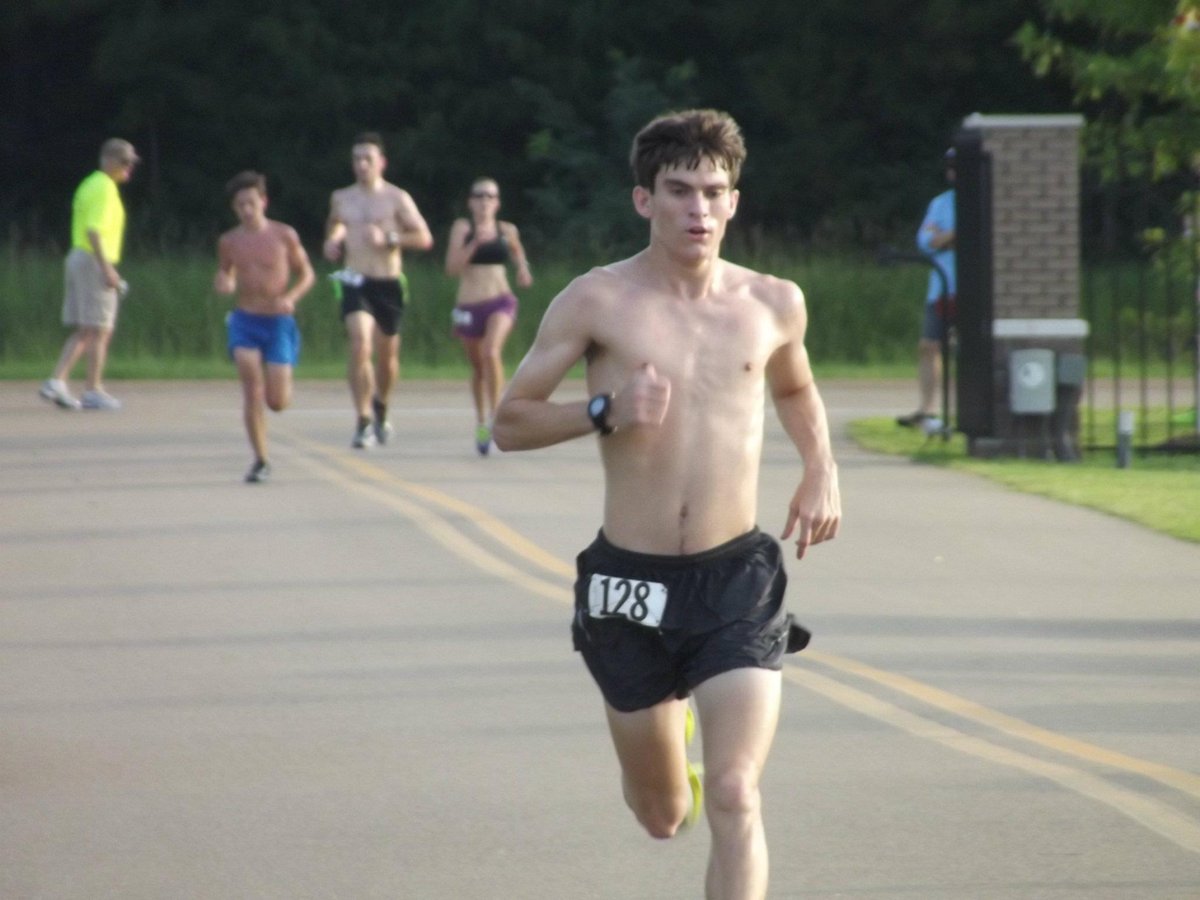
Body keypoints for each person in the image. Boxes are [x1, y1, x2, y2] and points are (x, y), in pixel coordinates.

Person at [493, 109, 841, 900]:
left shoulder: (773, 301)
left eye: (715, 192)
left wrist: (821, 465)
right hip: (629, 585)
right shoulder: (596, 301)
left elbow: (794, 384)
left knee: (735, 793)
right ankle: (666, 745)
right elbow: (509, 422)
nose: (699, 210)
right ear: (643, 199)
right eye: (680, 190)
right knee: (662, 812)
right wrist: (603, 411)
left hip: (735, 582)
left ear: (735, 202)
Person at [323, 132, 433, 449]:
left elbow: (424, 238)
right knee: (359, 343)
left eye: (367, 159)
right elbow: (336, 224)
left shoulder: (397, 198)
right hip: (354, 280)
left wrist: (390, 239)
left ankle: (381, 405)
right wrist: (332, 240)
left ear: (381, 163)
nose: (361, 165)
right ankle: (363, 420)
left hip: (388, 281)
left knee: (387, 357)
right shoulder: (342, 197)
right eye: (356, 159)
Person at [214, 171, 315, 483]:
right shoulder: (229, 241)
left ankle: (282, 386)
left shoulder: (284, 235)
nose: (246, 209)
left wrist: (292, 297)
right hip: (245, 319)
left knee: (277, 402)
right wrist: (224, 281)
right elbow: (225, 274)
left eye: (251, 203)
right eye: (240, 204)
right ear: (234, 207)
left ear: (263, 202)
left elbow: (307, 274)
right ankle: (260, 459)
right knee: (250, 386)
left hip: (278, 321)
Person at [40, 138, 139, 411]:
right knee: (100, 328)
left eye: (131, 162)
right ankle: (92, 389)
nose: (129, 167)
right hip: (94, 259)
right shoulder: (105, 188)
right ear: (109, 160)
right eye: (124, 161)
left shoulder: (91, 184)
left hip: (80, 258)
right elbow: (93, 230)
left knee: (88, 328)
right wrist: (107, 269)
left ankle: (57, 381)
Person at [444, 177, 533, 454]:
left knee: (491, 353)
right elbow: (451, 269)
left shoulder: (506, 229)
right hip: (469, 306)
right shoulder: (463, 228)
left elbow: (517, 250)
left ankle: (497, 418)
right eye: (479, 196)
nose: (484, 201)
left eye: (490, 197)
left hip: (501, 300)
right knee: (479, 368)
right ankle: (481, 421)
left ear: (497, 203)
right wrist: (473, 246)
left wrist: (523, 269)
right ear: (471, 202)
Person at [897, 147, 957, 428]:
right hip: (942, 288)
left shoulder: (983, 198)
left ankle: (967, 409)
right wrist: (953, 235)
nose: (952, 171)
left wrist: (943, 237)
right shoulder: (941, 203)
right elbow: (925, 241)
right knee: (929, 345)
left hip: (974, 290)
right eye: (950, 166)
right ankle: (928, 408)